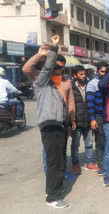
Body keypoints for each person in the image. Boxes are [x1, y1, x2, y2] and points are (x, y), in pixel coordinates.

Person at [22, 45, 76, 181]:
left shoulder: (66, 81)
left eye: (63, 67)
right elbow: (26, 68)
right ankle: (50, 176)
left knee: (62, 149)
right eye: (58, 66)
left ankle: (62, 172)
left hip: (63, 120)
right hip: (48, 120)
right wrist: (39, 55)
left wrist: (72, 121)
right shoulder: (41, 77)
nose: (61, 70)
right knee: (49, 152)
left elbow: (70, 102)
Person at [33, 35, 71, 208]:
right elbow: (48, 66)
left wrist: (68, 124)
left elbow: (64, 108)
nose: (57, 71)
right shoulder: (41, 82)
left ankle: (57, 189)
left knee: (60, 160)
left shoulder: (57, 87)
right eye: (54, 68)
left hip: (60, 126)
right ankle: (52, 197)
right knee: (54, 162)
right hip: (49, 126)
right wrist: (54, 48)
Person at [71, 65, 99, 175]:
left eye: (84, 74)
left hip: (88, 120)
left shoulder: (90, 86)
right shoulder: (71, 87)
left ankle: (89, 162)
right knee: (75, 145)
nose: (83, 76)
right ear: (75, 75)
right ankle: (75, 164)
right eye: (80, 74)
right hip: (76, 121)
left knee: (89, 144)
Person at [86, 62, 108, 175]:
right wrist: (92, 119)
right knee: (100, 141)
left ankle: (105, 162)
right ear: (97, 71)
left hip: (106, 116)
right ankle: (101, 165)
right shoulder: (93, 84)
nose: (104, 74)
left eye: (105, 72)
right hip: (98, 116)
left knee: (105, 140)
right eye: (102, 71)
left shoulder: (106, 83)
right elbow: (90, 102)